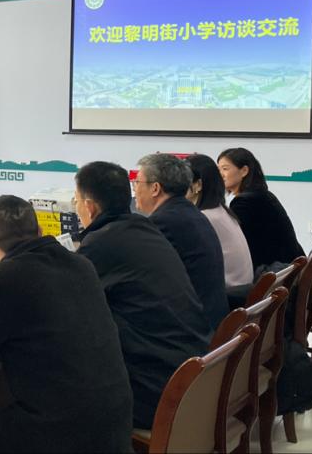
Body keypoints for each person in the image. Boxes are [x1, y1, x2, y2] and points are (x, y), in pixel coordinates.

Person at [0, 196, 133, 453]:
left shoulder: (6, 279)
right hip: (115, 422)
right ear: (40, 230)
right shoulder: (81, 264)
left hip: (65, 432)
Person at [73, 161, 210, 429]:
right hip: (192, 373)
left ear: (89, 207)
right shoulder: (144, 228)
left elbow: (66, 306)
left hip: (158, 392)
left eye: (76, 201)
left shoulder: (100, 244)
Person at [135, 153, 229, 330]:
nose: (134, 189)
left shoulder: (163, 222)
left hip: (193, 329)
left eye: (137, 182)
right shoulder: (192, 214)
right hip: (211, 320)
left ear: (155, 188)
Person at [217, 148, 305, 272]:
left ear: (244, 171)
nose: (220, 174)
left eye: (225, 169)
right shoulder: (262, 195)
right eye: (218, 169)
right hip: (288, 267)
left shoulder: (244, 202)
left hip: (275, 272)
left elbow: (237, 246)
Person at [185, 154, 253, 288]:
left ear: (198, 185)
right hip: (241, 289)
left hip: (229, 293)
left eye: (182, 180)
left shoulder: (204, 217)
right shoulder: (220, 211)